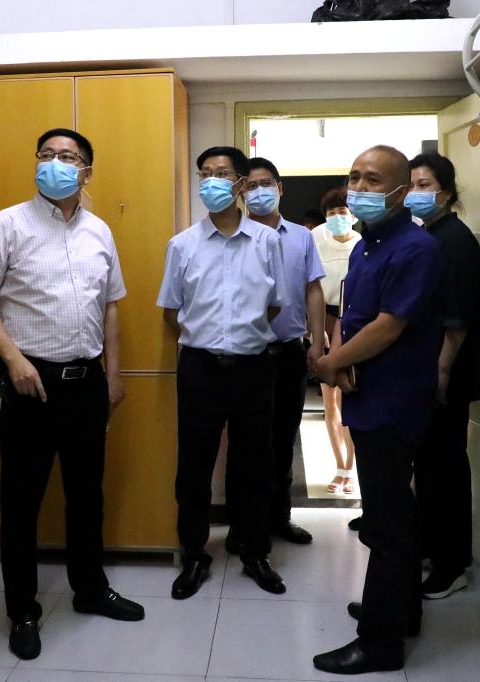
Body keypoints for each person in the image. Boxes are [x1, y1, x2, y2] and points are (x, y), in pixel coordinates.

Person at [0, 128, 144, 662]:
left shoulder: (99, 230)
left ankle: (89, 589)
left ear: (86, 171)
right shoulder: (9, 223)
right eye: (47, 154)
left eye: (68, 156)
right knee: (21, 502)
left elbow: (111, 305)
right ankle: (22, 610)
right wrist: (13, 360)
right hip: (30, 384)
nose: (56, 163)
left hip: (87, 383)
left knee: (87, 495)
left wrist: (113, 375)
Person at [312, 146, 443, 674]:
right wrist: (343, 360)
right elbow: (356, 316)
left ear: (400, 191)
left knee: (386, 525)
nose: (359, 189)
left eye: (372, 180)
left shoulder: (416, 248)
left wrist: (330, 363)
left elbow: (389, 326)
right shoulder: (368, 245)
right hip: (367, 393)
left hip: (393, 402)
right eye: (354, 178)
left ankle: (380, 643)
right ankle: (400, 612)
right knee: (394, 516)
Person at [158, 145, 288, 599]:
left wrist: (241, 336)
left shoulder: (268, 242)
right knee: (193, 468)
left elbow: (274, 305)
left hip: (254, 368)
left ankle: (254, 551)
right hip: (200, 368)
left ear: (240, 184)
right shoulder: (182, 245)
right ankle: (194, 555)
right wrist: (208, 337)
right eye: (205, 173)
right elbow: (171, 311)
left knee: (255, 465)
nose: (211, 181)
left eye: (222, 173)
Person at [224, 157, 326, 553]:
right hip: (247, 354)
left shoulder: (301, 237)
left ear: (280, 188)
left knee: (284, 438)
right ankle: (240, 525)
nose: (258, 191)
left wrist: (316, 343)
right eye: (250, 185)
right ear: (241, 192)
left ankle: (279, 517)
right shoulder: (234, 236)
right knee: (244, 443)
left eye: (265, 183)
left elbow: (313, 289)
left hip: (288, 352)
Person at [406, 152, 480, 600]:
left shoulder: (454, 240)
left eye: (425, 185)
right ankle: (432, 547)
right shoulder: (431, 235)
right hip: (430, 370)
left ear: (447, 192)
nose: (416, 193)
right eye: (412, 185)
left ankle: (452, 563)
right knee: (430, 466)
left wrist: (440, 371)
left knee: (446, 467)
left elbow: (457, 319)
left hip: (447, 373)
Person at [310, 187, 361, 495]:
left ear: (353, 215)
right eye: (331, 213)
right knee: (330, 403)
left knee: (350, 399)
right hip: (325, 320)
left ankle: (351, 469)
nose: (337, 217)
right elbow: (311, 288)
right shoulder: (317, 241)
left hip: (354, 322)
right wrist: (317, 331)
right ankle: (339, 466)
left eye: (342, 212)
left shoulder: (363, 243)